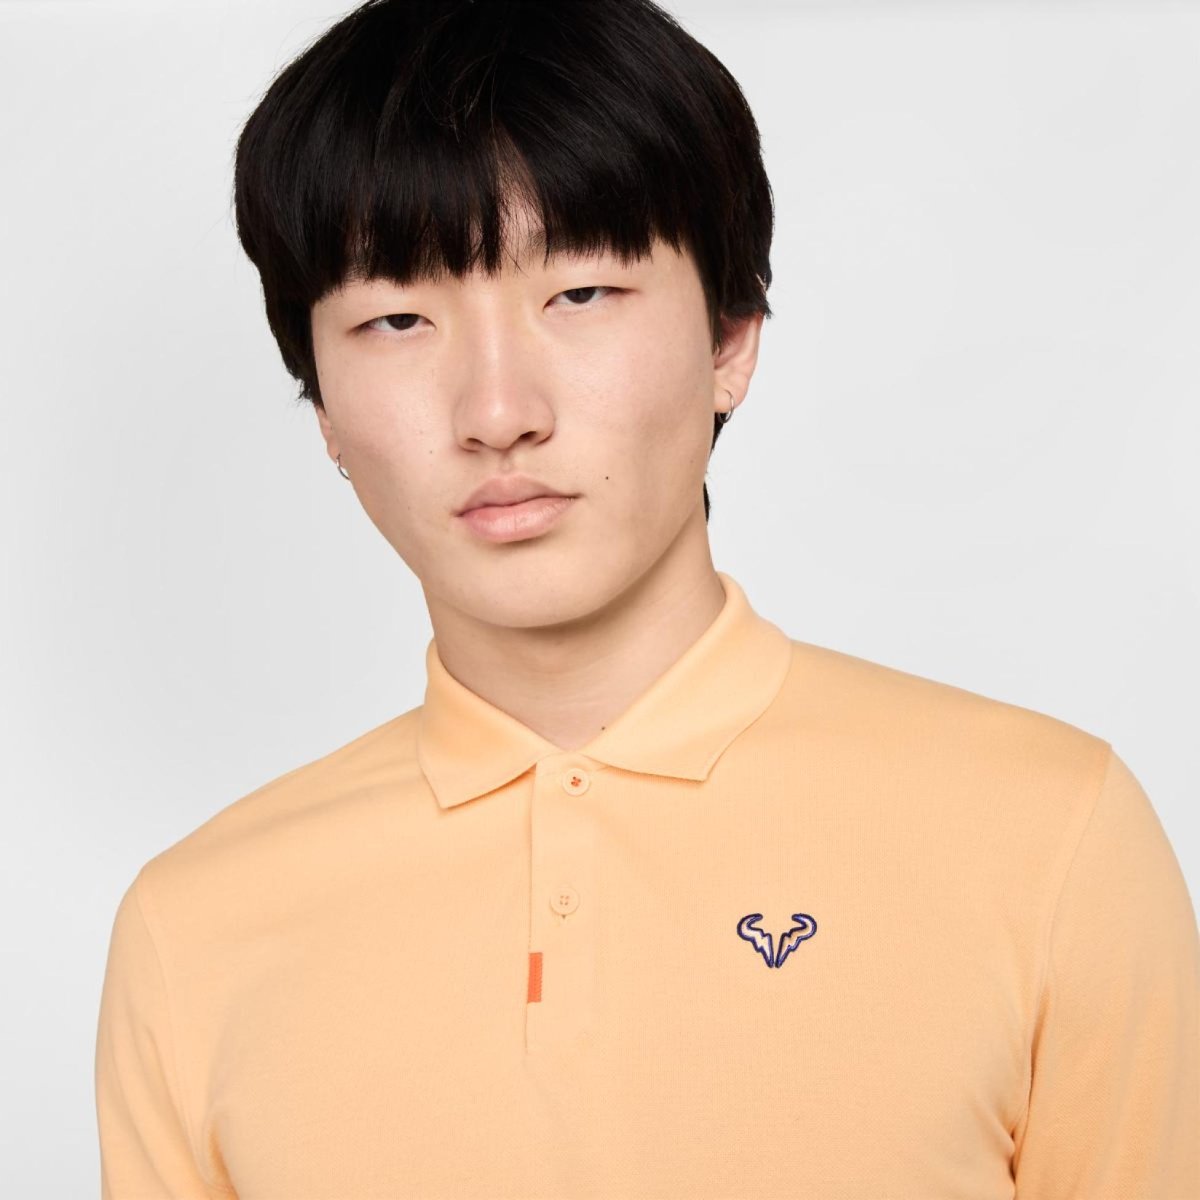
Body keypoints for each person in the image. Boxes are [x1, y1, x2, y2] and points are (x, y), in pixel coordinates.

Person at [94, 1, 1199, 1196]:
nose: (497, 412)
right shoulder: (193, 932)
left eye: (581, 295)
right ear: (321, 404)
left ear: (731, 339)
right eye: (397, 319)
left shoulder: (1050, 836)